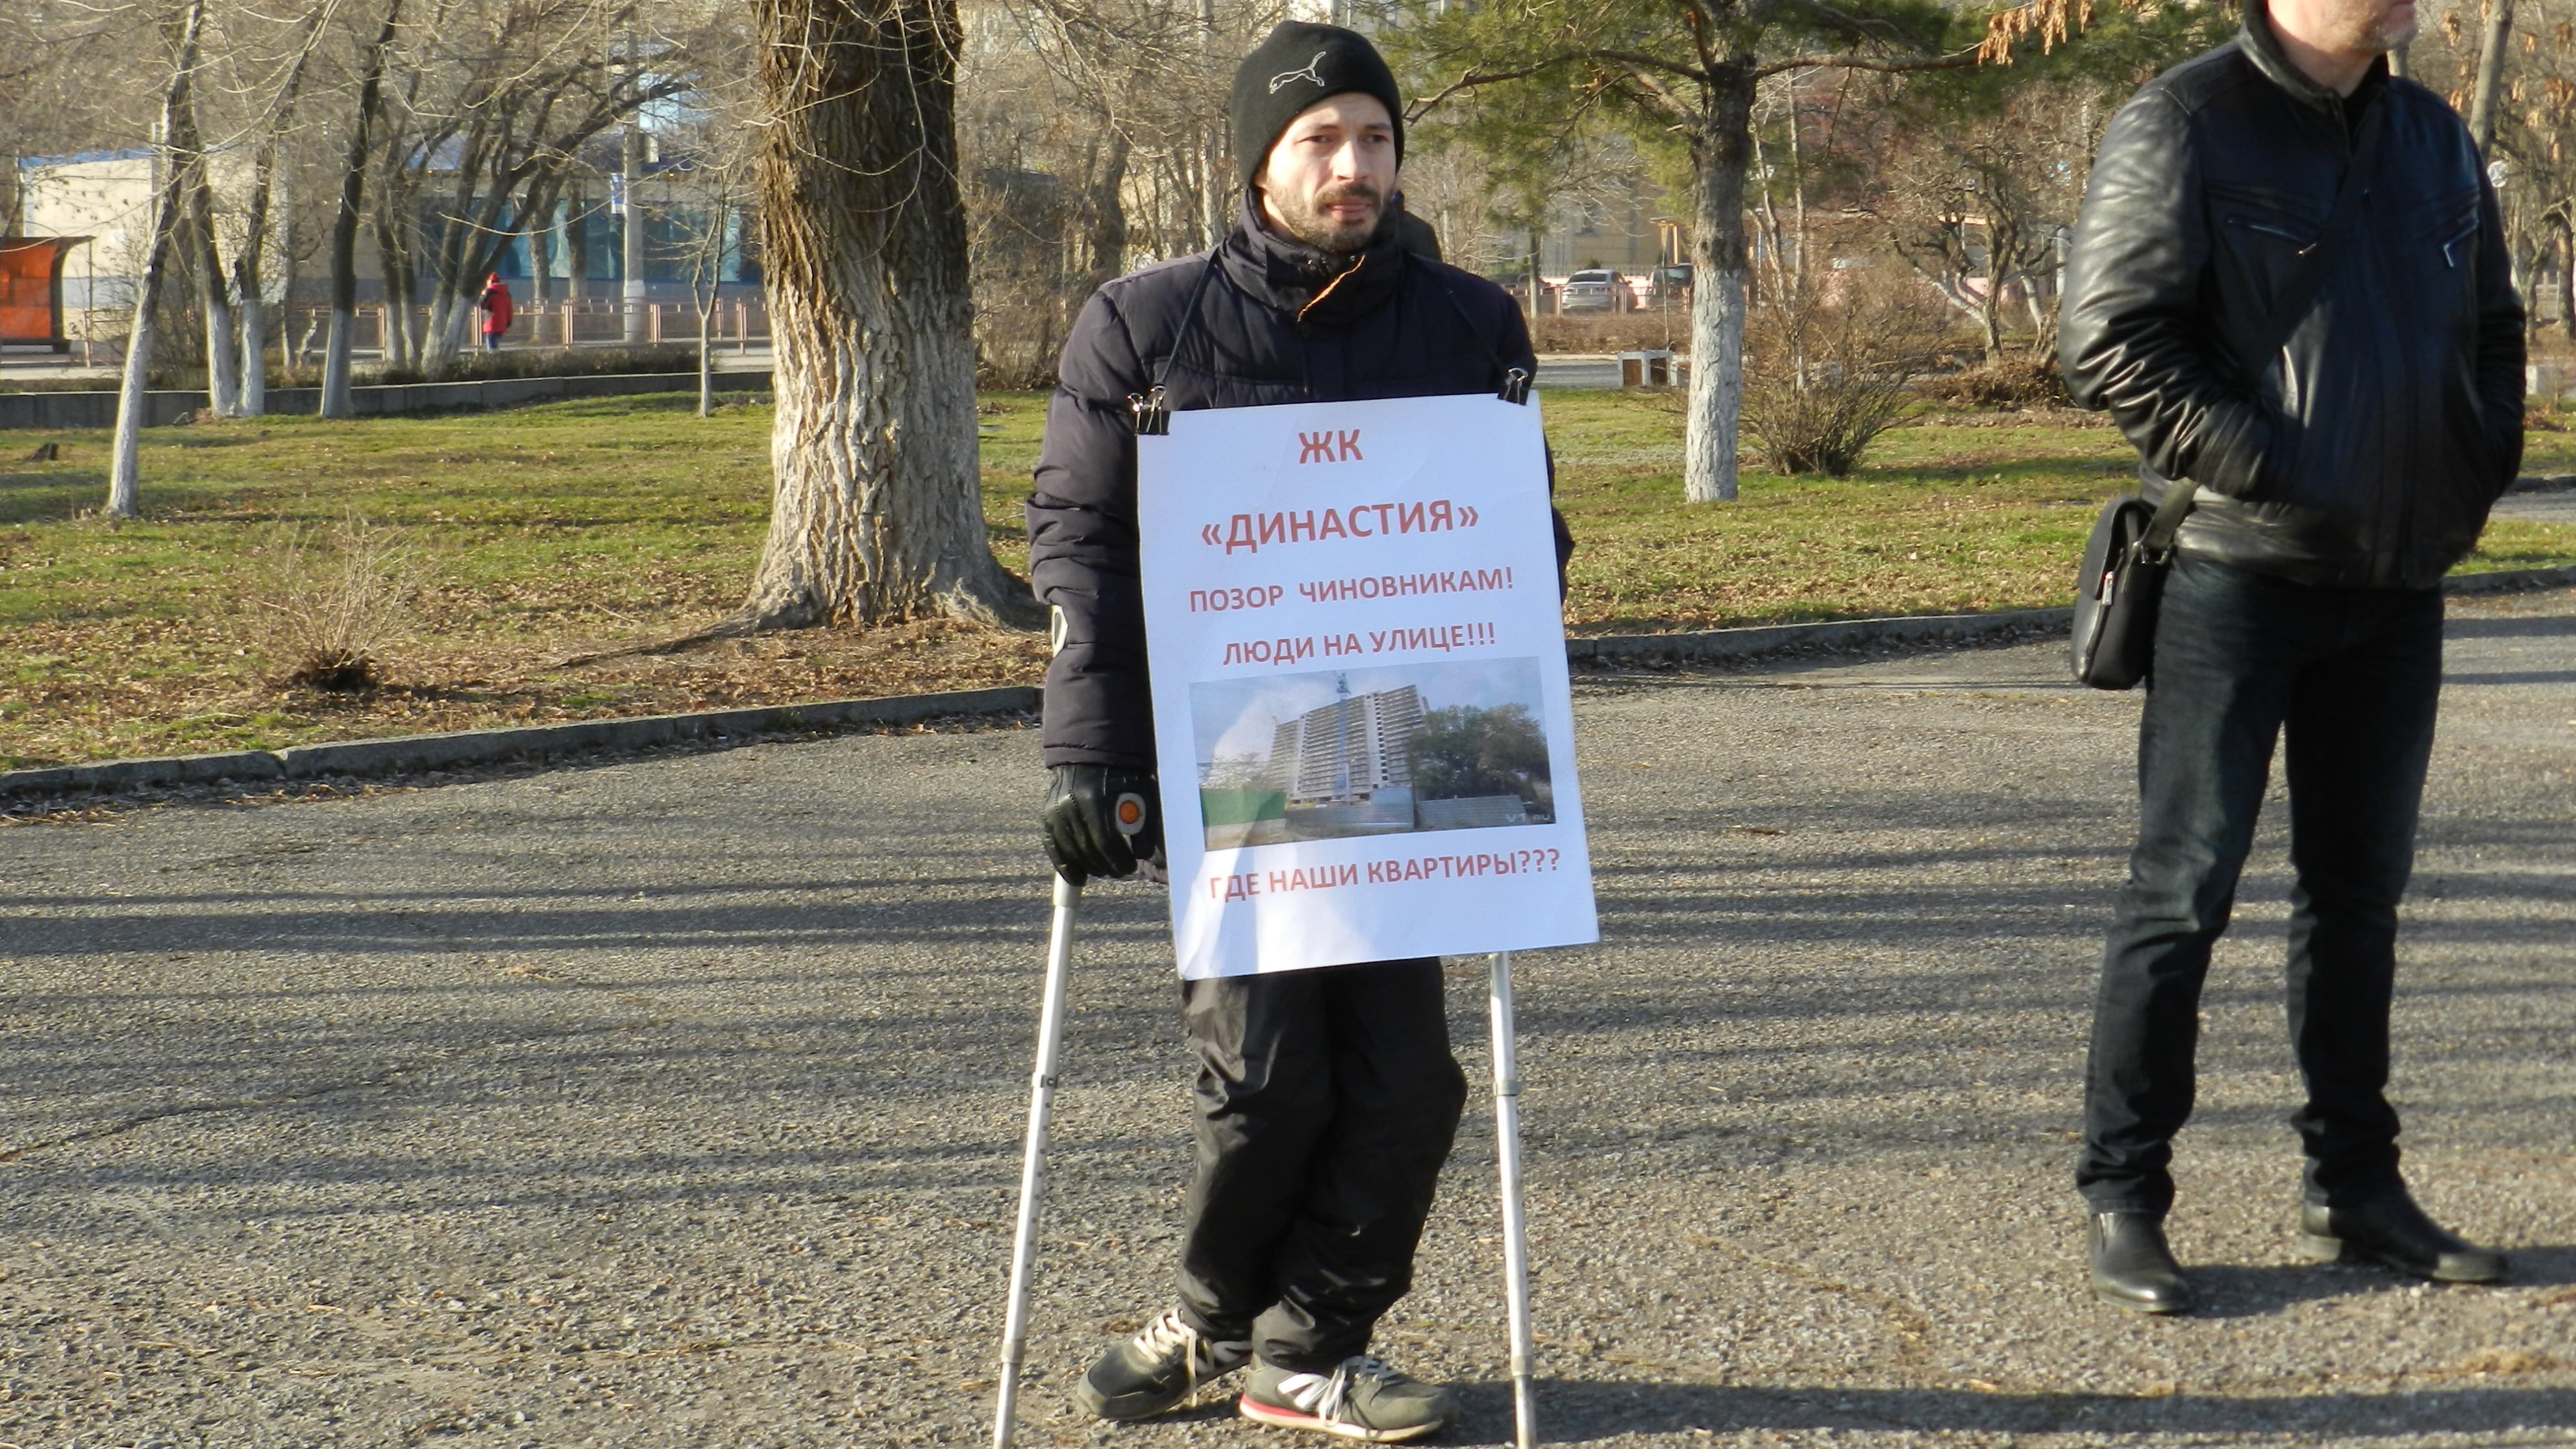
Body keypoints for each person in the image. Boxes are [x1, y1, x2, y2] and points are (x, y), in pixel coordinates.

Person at [1027, 20, 1568, 1443]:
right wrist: (1088, 754)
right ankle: (1214, 1318)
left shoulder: (1468, 323)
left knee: (1407, 1087)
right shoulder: (1144, 325)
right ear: (1258, 161)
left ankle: (1309, 1347)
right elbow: (1083, 542)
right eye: (1320, 138)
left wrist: (1511, 599)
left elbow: (1522, 528)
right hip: (1235, 769)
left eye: (1375, 137)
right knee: (1266, 1083)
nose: (1353, 165)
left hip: (1403, 769)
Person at [2060, 0, 2522, 1314]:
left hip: (2397, 580)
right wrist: (2276, 465)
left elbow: (2491, 329)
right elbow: (2110, 341)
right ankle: (2124, 1194)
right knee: (2183, 890)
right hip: (2235, 576)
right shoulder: (2184, 119)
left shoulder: (2431, 134)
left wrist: (2470, 465)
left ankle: (2354, 1187)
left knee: (2358, 900)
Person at [477, 274, 513, 353]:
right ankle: (497, 358)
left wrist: (483, 295)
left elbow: (483, 305)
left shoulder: (490, 292)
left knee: (491, 348)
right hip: (502, 323)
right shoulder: (507, 293)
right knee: (496, 345)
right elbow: (509, 309)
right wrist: (508, 322)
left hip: (491, 323)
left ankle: (494, 359)